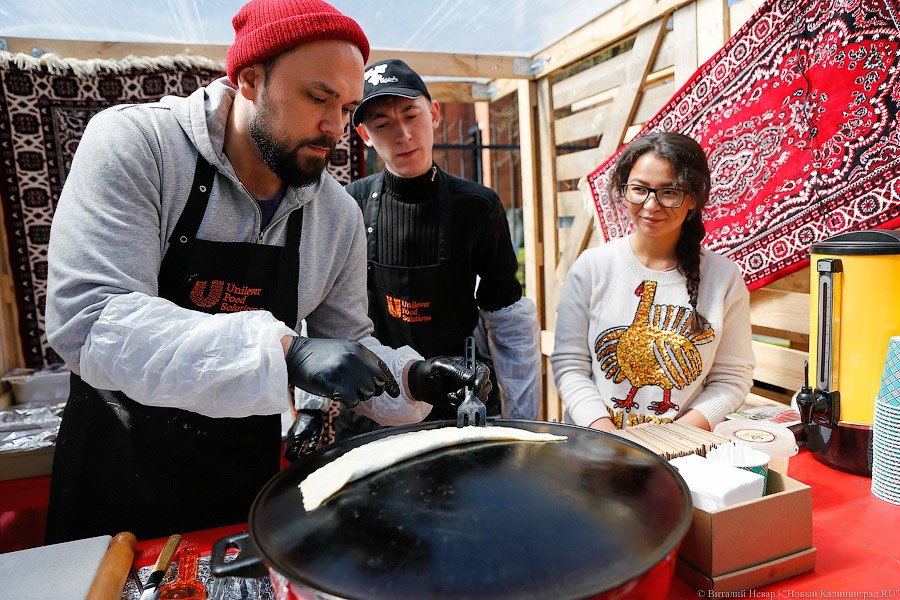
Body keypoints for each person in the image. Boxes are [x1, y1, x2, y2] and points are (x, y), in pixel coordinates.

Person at [43, 0, 489, 544]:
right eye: (318, 98)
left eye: (347, 108)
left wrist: (410, 378)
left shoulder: (335, 215)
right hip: (119, 472)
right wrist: (288, 352)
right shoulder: (140, 147)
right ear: (250, 78)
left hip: (241, 482)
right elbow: (89, 318)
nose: (335, 127)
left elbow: (347, 346)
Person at [329, 58, 541, 439]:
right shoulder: (349, 206)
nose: (403, 135)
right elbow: (323, 312)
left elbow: (509, 323)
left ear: (435, 114)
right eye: (383, 124)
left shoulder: (478, 207)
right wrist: (311, 406)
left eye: (411, 115)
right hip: (375, 403)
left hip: (461, 406)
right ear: (363, 134)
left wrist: (521, 419)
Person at [551, 132, 754, 432]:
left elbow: (732, 378)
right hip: (596, 446)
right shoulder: (591, 267)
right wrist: (607, 435)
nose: (650, 205)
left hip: (681, 452)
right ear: (625, 191)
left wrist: (674, 437)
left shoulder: (723, 278)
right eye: (639, 189)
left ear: (693, 201)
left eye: (669, 192)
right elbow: (570, 366)